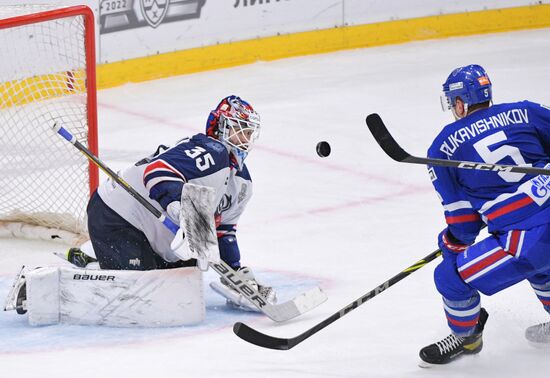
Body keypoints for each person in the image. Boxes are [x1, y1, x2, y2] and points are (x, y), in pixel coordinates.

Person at [70, 95, 276, 310]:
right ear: (220, 128)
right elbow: (158, 172)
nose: (245, 137)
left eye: (249, 132)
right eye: (239, 129)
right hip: (118, 215)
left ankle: (102, 259)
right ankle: (94, 264)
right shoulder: (212, 151)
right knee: (142, 301)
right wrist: (179, 208)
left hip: (152, 232)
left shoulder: (242, 183)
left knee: (181, 285)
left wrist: (235, 273)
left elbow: (223, 232)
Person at [420, 64, 550, 366]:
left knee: (449, 276)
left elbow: (464, 225)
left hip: (528, 240)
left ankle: (467, 339)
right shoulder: (526, 112)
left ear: (460, 103)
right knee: (543, 268)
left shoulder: (442, 149)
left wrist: (450, 243)